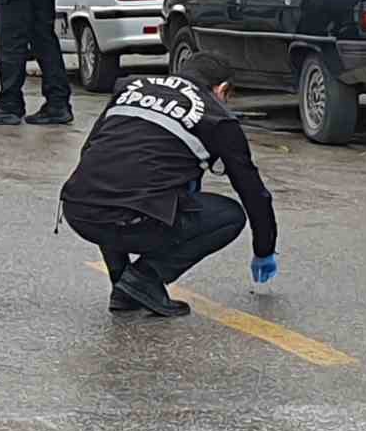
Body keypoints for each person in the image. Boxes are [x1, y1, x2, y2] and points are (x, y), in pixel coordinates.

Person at [60, 53, 278, 316]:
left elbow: (91, 152)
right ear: (222, 90)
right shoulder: (216, 116)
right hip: (131, 217)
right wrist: (264, 249)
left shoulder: (131, 88)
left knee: (115, 186)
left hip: (79, 209)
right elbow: (253, 192)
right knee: (229, 216)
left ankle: (122, 285)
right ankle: (144, 279)